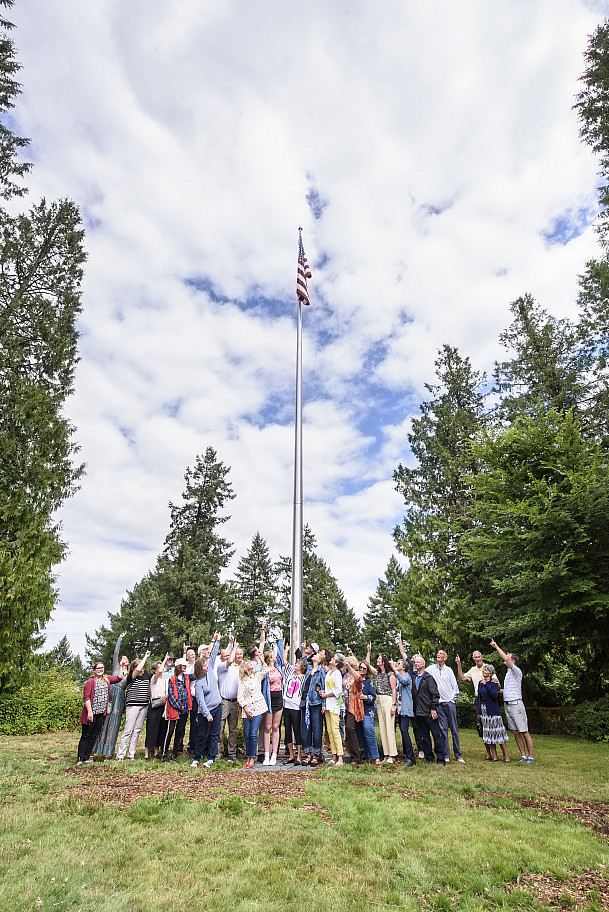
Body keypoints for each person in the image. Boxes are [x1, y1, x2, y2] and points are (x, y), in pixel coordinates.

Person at [490, 639, 534, 763]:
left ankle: (531, 756)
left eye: (508, 658)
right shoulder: (508, 673)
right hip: (508, 705)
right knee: (515, 732)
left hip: (516, 704)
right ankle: (523, 755)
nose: (505, 659)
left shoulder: (516, 671)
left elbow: (507, 659)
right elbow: (506, 690)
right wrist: (495, 688)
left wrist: (496, 646)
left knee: (524, 731)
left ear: (512, 661)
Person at [92, 632, 129, 761]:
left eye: (126, 659)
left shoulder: (128, 674)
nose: (124, 659)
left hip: (119, 702)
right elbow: (116, 653)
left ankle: (108, 754)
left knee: (113, 728)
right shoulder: (115, 669)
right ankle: (92, 752)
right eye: (123, 658)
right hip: (109, 700)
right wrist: (120, 639)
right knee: (101, 727)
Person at [77, 661, 123, 764]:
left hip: (101, 714)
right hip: (91, 713)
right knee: (86, 735)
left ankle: (86, 757)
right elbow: (86, 698)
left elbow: (119, 678)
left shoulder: (107, 679)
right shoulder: (90, 682)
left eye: (102, 668)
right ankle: (80, 758)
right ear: (94, 670)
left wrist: (120, 666)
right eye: (98, 668)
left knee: (93, 735)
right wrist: (89, 712)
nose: (100, 669)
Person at [190, 636, 222, 769]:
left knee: (215, 734)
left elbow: (213, 654)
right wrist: (207, 715)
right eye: (204, 665)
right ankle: (196, 758)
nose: (207, 666)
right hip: (205, 711)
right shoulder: (198, 683)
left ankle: (211, 757)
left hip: (217, 707)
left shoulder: (210, 672)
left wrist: (217, 640)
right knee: (202, 735)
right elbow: (201, 702)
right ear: (200, 668)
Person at [428, 650, 463, 763]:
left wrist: (452, 700)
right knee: (443, 730)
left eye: (441, 654)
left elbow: (455, 687)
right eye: (437, 654)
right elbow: (421, 671)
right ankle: (446, 754)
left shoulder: (448, 670)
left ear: (445, 657)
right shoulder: (432, 669)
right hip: (439, 704)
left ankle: (458, 755)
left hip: (449, 703)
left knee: (454, 729)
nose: (438, 655)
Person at [116, 652, 151, 761]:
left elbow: (149, 688)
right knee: (128, 730)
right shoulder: (131, 676)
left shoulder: (146, 675)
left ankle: (131, 754)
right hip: (133, 705)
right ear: (134, 668)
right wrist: (145, 656)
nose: (140, 669)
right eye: (137, 667)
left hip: (144, 705)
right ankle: (120, 755)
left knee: (137, 730)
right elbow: (136, 670)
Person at [412, 654, 445, 764]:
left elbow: (435, 694)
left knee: (436, 735)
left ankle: (440, 758)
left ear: (423, 664)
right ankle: (429, 758)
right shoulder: (415, 678)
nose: (416, 664)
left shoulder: (429, 678)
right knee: (425, 737)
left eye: (418, 662)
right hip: (419, 713)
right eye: (415, 662)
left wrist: (433, 709)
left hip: (429, 712)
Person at [237, 659, 270, 769]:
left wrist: (261, 658)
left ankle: (252, 758)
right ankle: (248, 756)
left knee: (253, 733)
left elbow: (266, 669)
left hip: (258, 708)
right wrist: (245, 709)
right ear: (245, 668)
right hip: (247, 709)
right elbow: (240, 696)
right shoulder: (242, 680)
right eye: (249, 664)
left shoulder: (256, 676)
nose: (251, 664)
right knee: (247, 734)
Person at [477, 663, 510, 762]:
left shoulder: (493, 683)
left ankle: (506, 756)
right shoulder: (480, 683)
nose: (483, 671)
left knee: (498, 733)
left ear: (490, 673)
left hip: (493, 711)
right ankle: (494, 756)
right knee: (488, 733)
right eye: (483, 670)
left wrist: (486, 684)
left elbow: (494, 695)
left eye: (486, 670)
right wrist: (479, 711)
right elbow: (479, 698)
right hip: (483, 710)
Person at [161, 657, 191, 762]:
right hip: (174, 709)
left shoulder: (187, 677)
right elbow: (171, 695)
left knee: (179, 731)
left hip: (185, 709)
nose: (185, 667)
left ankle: (175, 753)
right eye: (183, 665)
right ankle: (164, 754)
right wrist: (179, 706)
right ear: (179, 667)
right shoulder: (172, 679)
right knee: (170, 731)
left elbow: (197, 674)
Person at [216, 639, 242, 762]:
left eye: (228, 655)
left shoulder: (236, 668)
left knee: (233, 729)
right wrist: (234, 647)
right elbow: (230, 660)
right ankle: (218, 753)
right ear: (221, 658)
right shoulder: (221, 667)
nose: (227, 657)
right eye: (224, 656)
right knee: (220, 728)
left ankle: (232, 754)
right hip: (224, 701)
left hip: (234, 701)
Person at [262, 633, 285, 766]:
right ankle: (266, 754)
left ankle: (274, 754)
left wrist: (280, 639)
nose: (276, 657)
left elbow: (280, 654)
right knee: (267, 727)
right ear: (270, 658)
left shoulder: (278, 668)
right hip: (269, 698)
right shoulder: (265, 669)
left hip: (278, 698)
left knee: (276, 727)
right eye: (274, 656)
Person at [389, 657, 416, 766]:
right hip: (400, 709)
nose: (397, 664)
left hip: (405, 709)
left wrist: (395, 670)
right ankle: (407, 754)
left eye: (399, 663)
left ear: (404, 667)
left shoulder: (407, 677)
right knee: (402, 730)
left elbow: (403, 681)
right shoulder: (399, 676)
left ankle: (411, 758)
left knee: (404, 731)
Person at [374, 653, 398, 763]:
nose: (377, 660)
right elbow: (367, 665)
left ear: (383, 662)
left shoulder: (391, 674)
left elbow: (394, 690)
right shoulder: (378, 674)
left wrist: (393, 705)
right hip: (379, 699)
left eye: (379, 659)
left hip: (388, 700)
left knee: (389, 727)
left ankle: (392, 754)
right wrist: (368, 652)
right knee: (382, 728)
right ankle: (386, 754)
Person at [320, 654, 344, 765]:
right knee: (329, 730)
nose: (331, 659)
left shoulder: (338, 673)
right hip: (328, 705)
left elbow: (338, 691)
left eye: (334, 659)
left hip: (335, 704)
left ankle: (340, 756)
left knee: (335, 730)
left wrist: (326, 695)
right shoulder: (329, 672)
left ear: (337, 663)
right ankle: (334, 756)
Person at [302, 652, 325, 767]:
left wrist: (324, 703)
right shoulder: (309, 668)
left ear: (320, 660)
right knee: (306, 728)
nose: (314, 656)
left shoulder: (321, 671)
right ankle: (308, 753)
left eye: (316, 655)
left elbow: (323, 687)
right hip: (307, 701)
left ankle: (316, 753)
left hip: (316, 702)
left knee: (316, 728)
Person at [356, 661, 380, 765]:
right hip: (356, 710)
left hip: (367, 709)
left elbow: (373, 697)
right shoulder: (355, 681)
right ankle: (366, 756)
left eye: (364, 668)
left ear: (367, 671)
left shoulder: (369, 681)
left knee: (368, 730)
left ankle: (375, 756)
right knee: (360, 733)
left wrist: (365, 697)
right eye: (360, 667)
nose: (361, 669)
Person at [145, 658, 169, 759]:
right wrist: (165, 660)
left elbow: (168, 693)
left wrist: (165, 697)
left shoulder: (165, 680)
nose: (161, 669)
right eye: (159, 668)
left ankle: (156, 752)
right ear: (155, 670)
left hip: (163, 706)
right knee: (151, 729)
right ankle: (146, 754)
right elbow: (159, 672)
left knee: (161, 729)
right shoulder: (153, 679)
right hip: (154, 706)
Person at [342, 657, 362, 767]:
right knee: (348, 729)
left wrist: (349, 667)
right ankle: (352, 753)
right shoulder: (345, 675)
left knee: (350, 728)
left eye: (349, 664)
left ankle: (356, 757)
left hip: (353, 705)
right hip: (344, 704)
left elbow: (358, 678)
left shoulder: (356, 674)